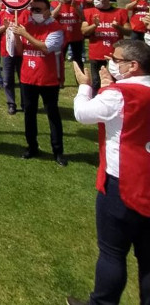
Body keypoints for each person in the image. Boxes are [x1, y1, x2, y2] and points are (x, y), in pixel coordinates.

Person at [66, 40, 150, 305]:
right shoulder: (120, 92)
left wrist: (84, 86)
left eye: (116, 59)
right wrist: (107, 86)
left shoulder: (120, 94)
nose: (111, 62)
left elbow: (83, 113)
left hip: (121, 182)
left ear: (133, 66)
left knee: (112, 253)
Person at [11, 0, 67, 166]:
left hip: (48, 79)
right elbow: (20, 50)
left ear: (48, 12)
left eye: (38, 10)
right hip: (28, 77)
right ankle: (32, 146)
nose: (34, 12)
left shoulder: (56, 28)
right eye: (32, 9)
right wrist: (16, 37)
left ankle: (58, 151)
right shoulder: (27, 26)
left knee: (52, 114)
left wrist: (25, 34)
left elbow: (46, 48)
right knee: (29, 114)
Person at [82, 0, 131, 93]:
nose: (95, 0)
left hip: (115, 53)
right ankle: (96, 98)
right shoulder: (88, 12)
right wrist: (95, 25)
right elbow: (84, 31)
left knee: (116, 79)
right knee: (96, 81)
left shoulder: (121, 12)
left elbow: (128, 32)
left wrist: (118, 27)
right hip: (96, 52)